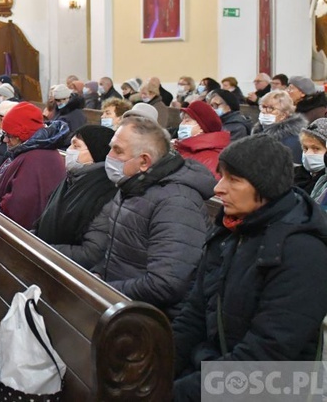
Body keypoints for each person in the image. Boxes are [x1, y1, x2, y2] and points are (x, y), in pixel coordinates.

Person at [172, 135, 327, 400]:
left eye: (233, 180)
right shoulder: (230, 230)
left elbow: (267, 357)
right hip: (212, 372)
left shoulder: (303, 251)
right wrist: (154, 369)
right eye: (222, 176)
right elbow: (194, 315)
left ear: (264, 187)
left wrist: (173, 393)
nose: (218, 188)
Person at [92, 116, 216, 318]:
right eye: (111, 148)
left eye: (118, 150)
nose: (109, 156)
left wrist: (103, 289)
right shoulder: (132, 186)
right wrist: (97, 273)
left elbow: (166, 284)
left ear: (144, 161)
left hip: (152, 317)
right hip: (121, 303)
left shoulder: (176, 203)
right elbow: (118, 252)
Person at [33, 125, 116, 268]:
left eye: (76, 146)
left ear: (96, 152)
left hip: (67, 270)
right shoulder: (71, 179)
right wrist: (31, 237)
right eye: (70, 144)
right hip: (48, 260)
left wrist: (42, 249)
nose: (69, 150)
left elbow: (92, 253)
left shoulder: (105, 190)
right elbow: (45, 218)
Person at [0, 102, 69, 229]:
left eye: (9, 135)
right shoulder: (25, 150)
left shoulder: (37, 159)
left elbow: (18, 208)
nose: (5, 140)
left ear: (23, 134)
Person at [174, 101, 231, 179]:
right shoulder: (184, 148)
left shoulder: (211, 159)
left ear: (201, 127)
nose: (182, 124)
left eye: (187, 120)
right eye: (182, 120)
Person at [252, 89, 307, 164]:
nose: (264, 111)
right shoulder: (259, 131)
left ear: (283, 115)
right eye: (263, 107)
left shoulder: (292, 139)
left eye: (270, 108)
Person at [295, 118, 327, 197]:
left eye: (316, 148)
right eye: (305, 148)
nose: (308, 154)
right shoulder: (293, 175)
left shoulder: (324, 185)